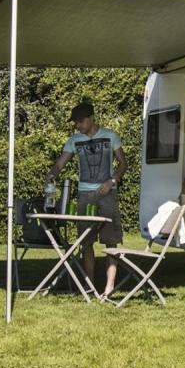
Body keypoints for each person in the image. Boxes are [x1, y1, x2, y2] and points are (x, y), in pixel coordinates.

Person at [45, 101, 127, 297]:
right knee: (85, 242)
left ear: (91, 118)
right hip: (85, 195)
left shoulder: (111, 136)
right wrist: (51, 175)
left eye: (81, 121)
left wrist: (111, 181)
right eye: (76, 122)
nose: (78, 125)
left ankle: (109, 287)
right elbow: (60, 164)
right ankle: (89, 286)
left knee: (110, 241)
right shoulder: (74, 140)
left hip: (107, 194)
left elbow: (123, 164)